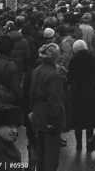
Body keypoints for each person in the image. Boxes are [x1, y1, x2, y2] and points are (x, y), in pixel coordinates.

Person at [30, 43, 65, 171]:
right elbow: (54, 100)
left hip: (38, 111)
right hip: (49, 114)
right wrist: (56, 120)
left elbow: (31, 94)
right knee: (51, 152)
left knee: (41, 149)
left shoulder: (36, 70)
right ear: (55, 58)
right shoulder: (53, 74)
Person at [67, 40, 95, 152]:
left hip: (77, 94)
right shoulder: (94, 60)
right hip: (92, 93)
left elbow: (70, 79)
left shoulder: (73, 61)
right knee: (90, 121)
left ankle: (78, 145)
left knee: (78, 121)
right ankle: (89, 144)